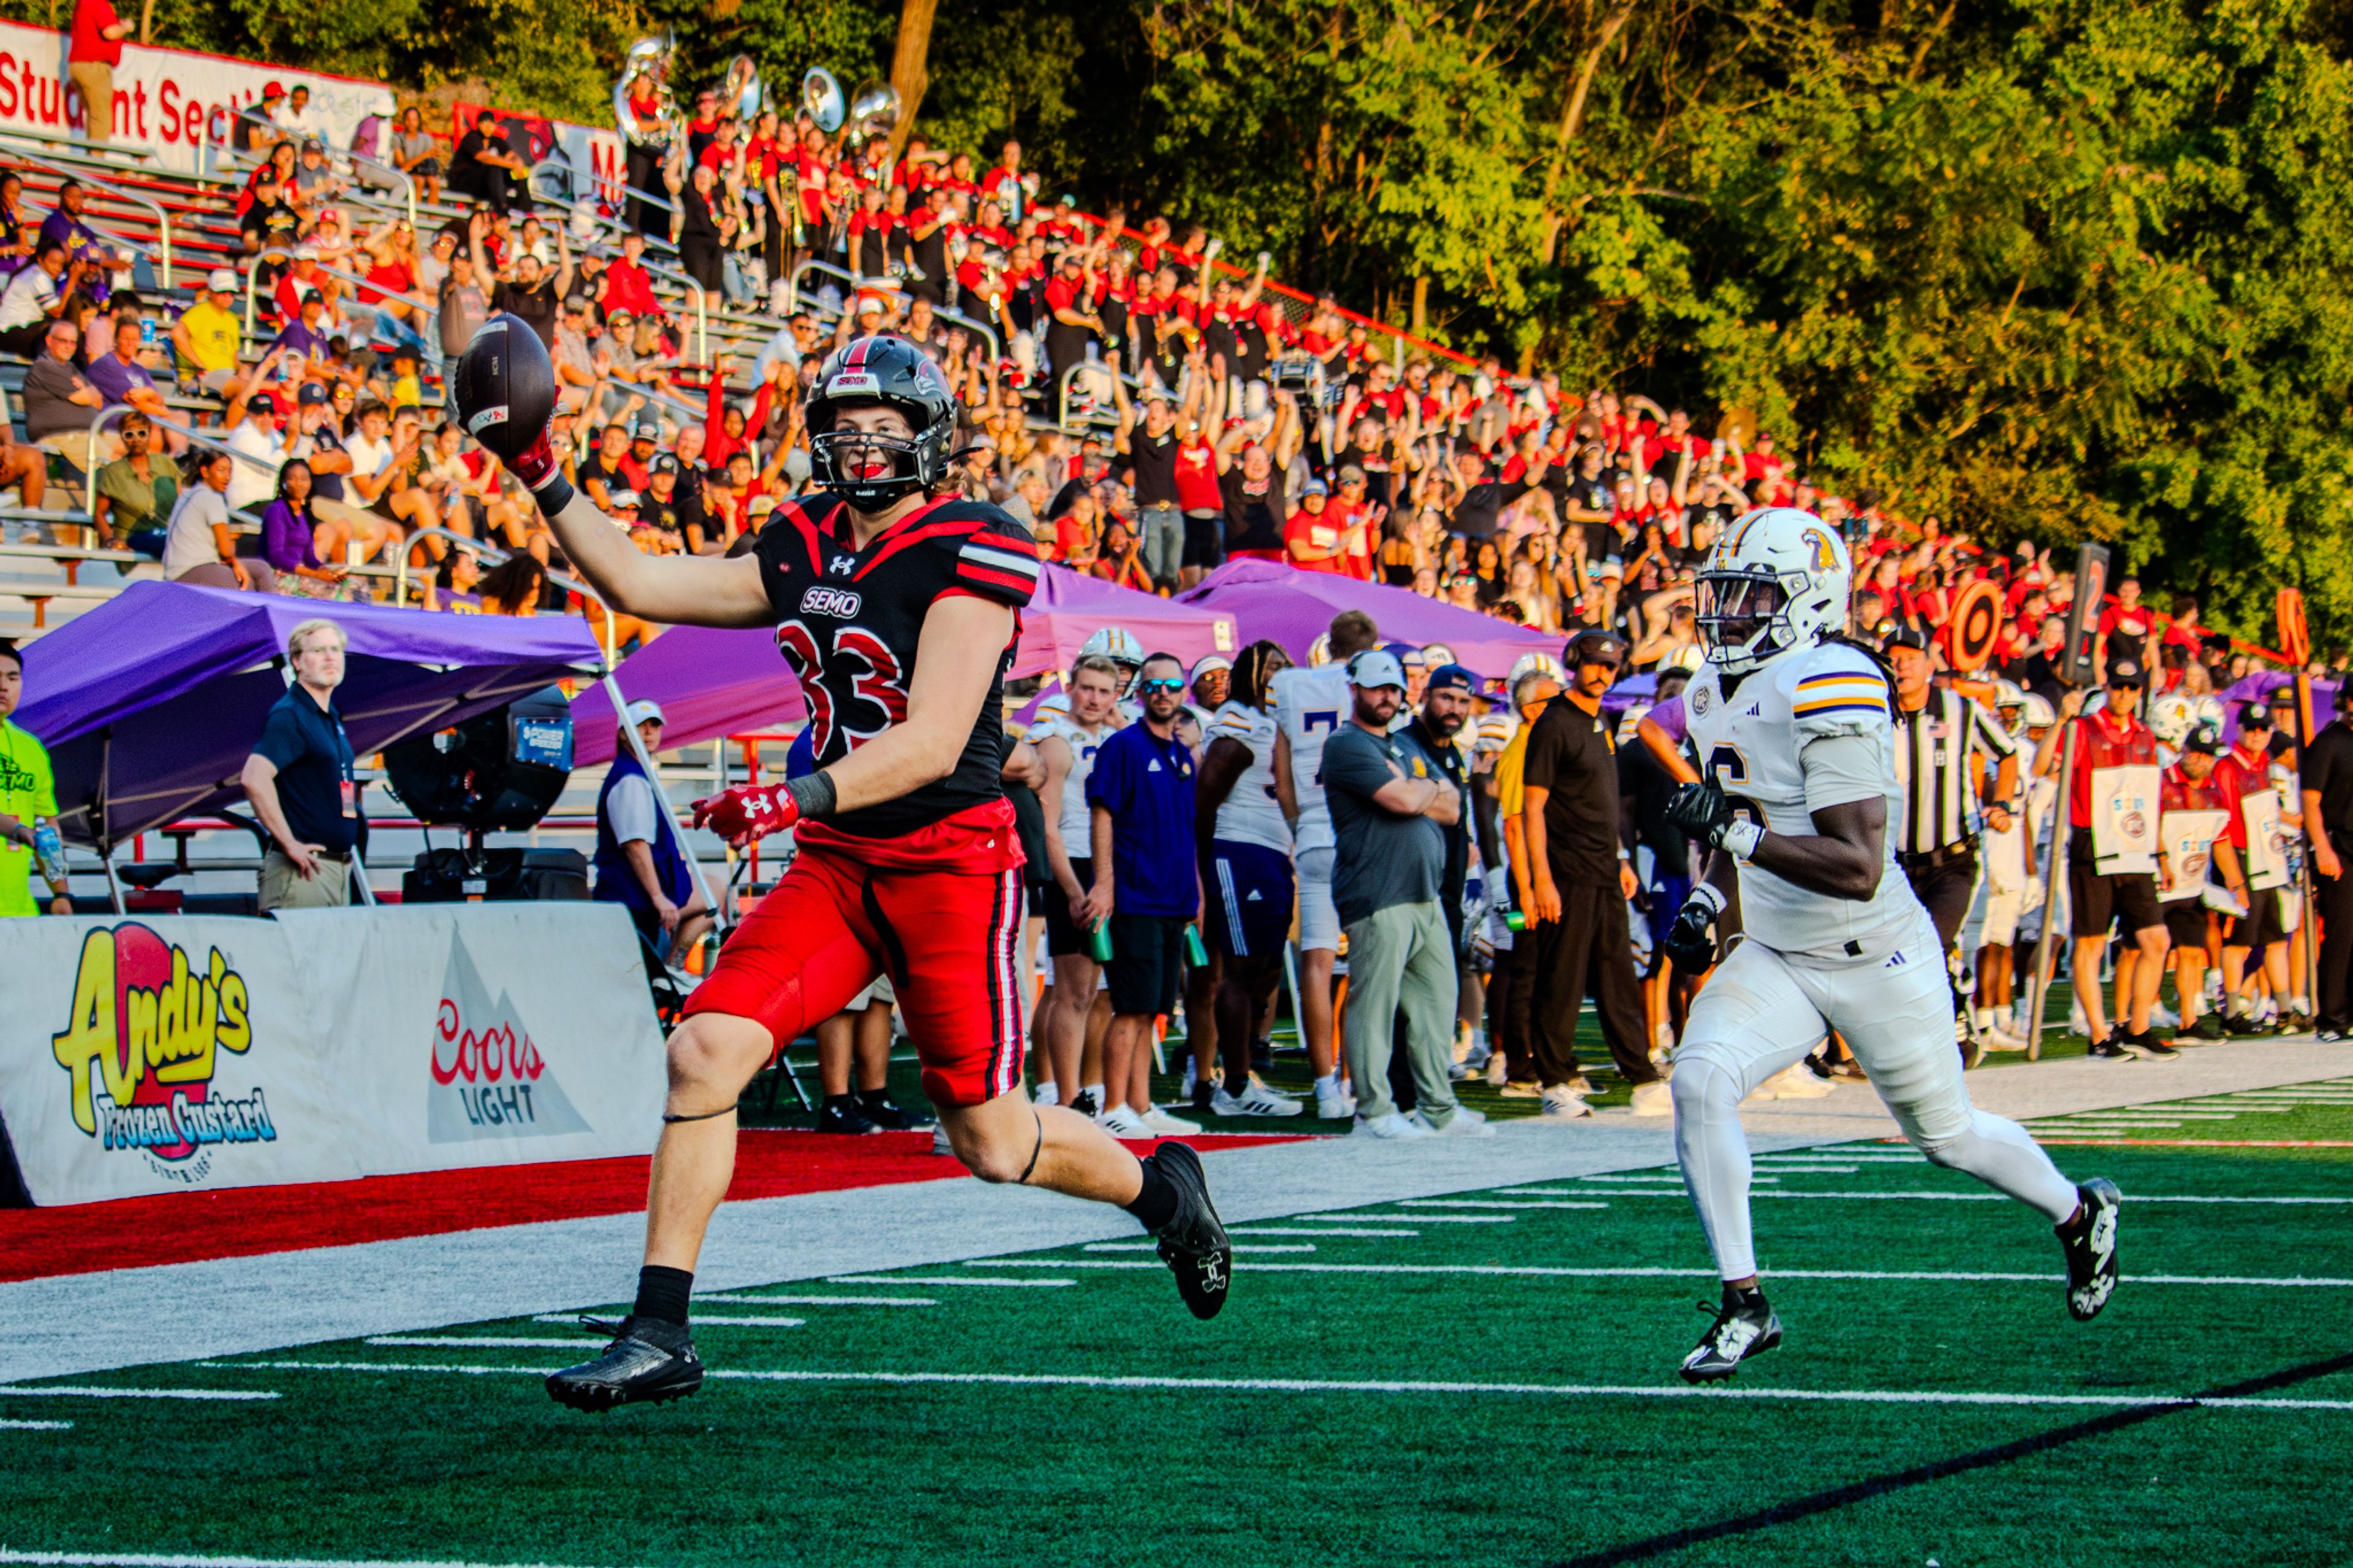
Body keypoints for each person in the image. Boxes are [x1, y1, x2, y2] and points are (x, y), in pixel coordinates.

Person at [450, 320, 1232, 1411]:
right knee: (704, 1051)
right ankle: (660, 1326)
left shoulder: (976, 541)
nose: (864, 444)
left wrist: (789, 791)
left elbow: (931, 735)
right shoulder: (803, 538)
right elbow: (635, 577)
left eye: (886, 424)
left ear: (930, 433)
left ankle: (1162, 1190)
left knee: (993, 1139)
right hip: (838, 861)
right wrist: (537, 469)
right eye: (845, 425)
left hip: (948, 859)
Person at [1658, 507, 2117, 1382]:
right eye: (1727, 590)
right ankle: (1744, 1301)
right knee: (1699, 1079)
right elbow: (1738, 818)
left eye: (1753, 592)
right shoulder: (1710, 690)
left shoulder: (1835, 678)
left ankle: (2077, 1210)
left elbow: (1859, 864)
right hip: (1781, 953)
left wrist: (1739, 845)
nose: (1729, 610)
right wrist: (1710, 894)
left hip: (1877, 954)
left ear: (1807, 599)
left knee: (1946, 1136)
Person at [1320, 648, 1485, 1138]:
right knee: (1374, 1005)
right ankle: (1374, 1111)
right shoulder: (1347, 744)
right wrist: (1423, 789)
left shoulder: (1400, 748)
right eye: (1378, 688)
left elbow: (1453, 807)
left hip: (1424, 894)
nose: (1388, 697)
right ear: (1356, 689)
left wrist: (1420, 790)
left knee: (1438, 1002)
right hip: (1377, 891)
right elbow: (1403, 799)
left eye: (1394, 688)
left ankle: (1438, 1106)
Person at [1521, 629, 1671, 1117]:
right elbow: (1532, 808)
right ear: (1574, 663)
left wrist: (1623, 858)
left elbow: (1606, 803)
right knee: (1561, 979)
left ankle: (1643, 1077)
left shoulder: (1602, 721)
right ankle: (1553, 1081)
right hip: (1565, 872)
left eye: (1610, 666)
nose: (1602, 673)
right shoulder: (1553, 722)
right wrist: (1541, 878)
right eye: (1593, 663)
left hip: (1606, 869)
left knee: (1618, 975)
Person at [1081, 651, 1204, 1138]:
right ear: (1140, 693)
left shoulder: (1180, 754)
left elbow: (1186, 827)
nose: (1163, 693)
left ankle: (1141, 1102)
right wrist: (1105, 883)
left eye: (1172, 684)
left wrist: (1194, 889)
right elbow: (1103, 813)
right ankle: (1115, 1105)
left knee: (1153, 1008)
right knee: (1130, 1006)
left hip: (1173, 897)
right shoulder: (1123, 747)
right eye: (1153, 685)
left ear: (1183, 692)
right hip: (1135, 897)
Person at [1884, 626, 2018, 1058]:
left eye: (1910, 656)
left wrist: (2000, 803)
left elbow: (2007, 752)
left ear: (1929, 664)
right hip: (1895, 862)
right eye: (1894, 657)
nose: (1902, 665)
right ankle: (1949, 1005)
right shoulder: (1875, 713)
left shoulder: (1960, 709)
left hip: (1952, 859)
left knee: (1932, 942)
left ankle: (1951, 1022)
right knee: (1897, 954)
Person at [2033, 657, 2177, 1059]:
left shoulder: (2146, 735)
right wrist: (2061, 721)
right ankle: (2098, 1034)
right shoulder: (2083, 728)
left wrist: (2162, 850)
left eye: (2133, 688)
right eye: (2119, 686)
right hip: (2093, 844)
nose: (2125, 694)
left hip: (2135, 846)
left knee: (2155, 939)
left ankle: (2138, 1025)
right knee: (2092, 942)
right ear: (2107, 687)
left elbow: (2151, 799)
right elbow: (2042, 767)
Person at [1270, 608, 1381, 1119]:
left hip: (1314, 828)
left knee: (1315, 961)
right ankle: (1360, 1079)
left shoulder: (1293, 685)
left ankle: (1323, 1086)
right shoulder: (1373, 683)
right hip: (1360, 829)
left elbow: (1282, 770)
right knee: (1366, 960)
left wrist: (1299, 824)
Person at [1194, 640, 1305, 1118]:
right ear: (1252, 672)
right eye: (1273, 665)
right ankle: (1234, 1086)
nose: (1282, 673)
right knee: (1239, 969)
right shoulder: (1239, 720)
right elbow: (1204, 799)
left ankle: (1239, 1072)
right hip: (1239, 850)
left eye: (1286, 664)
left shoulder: (1273, 721)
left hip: (1271, 851)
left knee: (1264, 968)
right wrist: (1200, 872)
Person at [1031, 654, 1124, 1115]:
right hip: (1074, 867)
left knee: (1095, 991)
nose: (1094, 698)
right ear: (1071, 687)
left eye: (1105, 691)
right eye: (1087, 688)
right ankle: (1065, 1098)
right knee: (1070, 990)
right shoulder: (1056, 741)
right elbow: (1047, 828)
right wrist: (1071, 890)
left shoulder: (1114, 737)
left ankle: (1086, 1092)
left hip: (1108, 867)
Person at [239, 618, 360, 910]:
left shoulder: (328, 715)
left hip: (334, 868)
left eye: (335, 649)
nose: (330, 657)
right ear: (297, 662)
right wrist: (290, 843)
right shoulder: (291, 715)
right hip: (303, 872)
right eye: (318, 650)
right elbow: (254, 778)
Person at [1488, 662, 1563, 1093]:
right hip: (1528, 879)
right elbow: (1513, 825)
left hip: (1536, 875)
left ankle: (1534, 1055)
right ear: (1530, 708)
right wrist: (1530, 888)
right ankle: (1520, 1063)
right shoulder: (1521, 752)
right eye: (1551, 701)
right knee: (1526, 968)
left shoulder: (1536, 747)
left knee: (1540, 968)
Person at [594, 700, 713, 966]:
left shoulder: (637, 773)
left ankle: (672, 967)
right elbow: (635, 845)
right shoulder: (631, 779)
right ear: (623, 733)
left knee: (713, 893)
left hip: (638, 892)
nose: (649, 733)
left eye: (654, 726)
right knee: (713, 895)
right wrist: (659, 898)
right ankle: (672, 968)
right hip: (632, 897)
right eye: (640, 726)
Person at [2157, 721, 2244, 1041]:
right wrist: (2162, 860)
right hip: (2160, 882)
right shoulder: (2163, 784)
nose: (2203, 761)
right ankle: (2127, 1021)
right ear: (2184, 751)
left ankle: (2188, 1021)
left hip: (2193, 883)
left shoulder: (2214, 791)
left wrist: (2237, 884)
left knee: (2193, 952)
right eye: (2197, 754)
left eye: (2209, 756)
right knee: (2142, 951)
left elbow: (2221, 841)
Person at [0, 640, 73, 917]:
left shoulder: (31, 748)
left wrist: (61, 893)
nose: (4, 686)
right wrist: (17, 830)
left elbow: (48, 826)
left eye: (12, 677)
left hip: (19, 912)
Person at [2301, 697, 2353, 1042]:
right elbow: (2309, 799)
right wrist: (2322, 847)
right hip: (2339, 848)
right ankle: (2332, 1018)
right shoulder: (2329, 742)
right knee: (2341, 934)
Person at [68, 0, 131, 144]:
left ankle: (92, 158)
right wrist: (125, 27)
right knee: (101, 118)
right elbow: (109, 32)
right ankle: (97, 161)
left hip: (79, 65)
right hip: (94, 67)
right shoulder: (97, 3)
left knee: (93, 116)